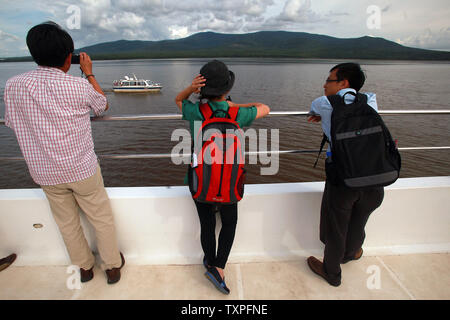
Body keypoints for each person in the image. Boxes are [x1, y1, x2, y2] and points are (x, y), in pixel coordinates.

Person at [3, 22, 124, 284]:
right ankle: (112, 267)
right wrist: (89, 74)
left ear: (34, 53)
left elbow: (12, 122)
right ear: (69, 57)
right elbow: (102, 105)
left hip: (45, 172)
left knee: (67, 224)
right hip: (82, 169)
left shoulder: (13, 86)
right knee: (101, 219)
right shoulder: (79, 87)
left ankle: (84, 268)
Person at [175, 60, 270, 294]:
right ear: (227, 89)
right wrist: (233, 104)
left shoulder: (196, 111)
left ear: (202, 88)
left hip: (200, 181)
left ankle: (209, 260)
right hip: (229, 181)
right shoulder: (238, 113)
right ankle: (219, 266)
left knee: (207, 224)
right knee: (229, 223)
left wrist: (190, 89)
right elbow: (265, 107)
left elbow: (178, 100)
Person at [306, 63, 384, 286]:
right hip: (376, 175)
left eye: (329, 80)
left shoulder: (324, 103)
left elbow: (314, 110)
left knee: (336, 226)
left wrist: (324, 117)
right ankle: (352, 253)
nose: (324, 85)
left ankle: (331, 271)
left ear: (343, 83)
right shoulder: (370, 100)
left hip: (344, 177)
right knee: (360, 218)